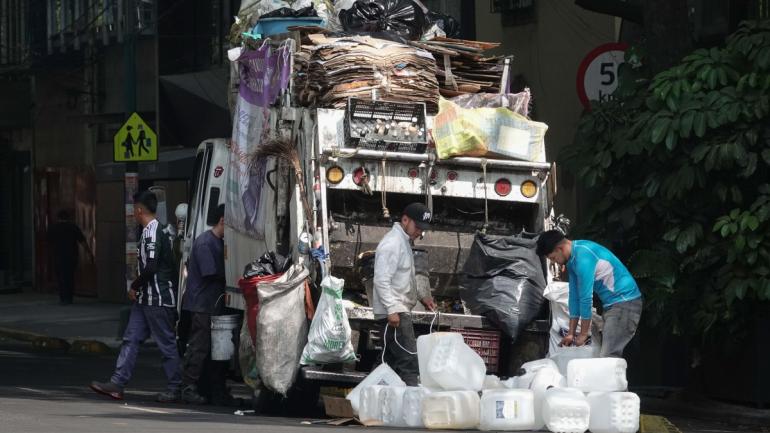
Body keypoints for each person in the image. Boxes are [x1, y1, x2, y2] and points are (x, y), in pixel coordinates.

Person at [90, 190, 182, 402]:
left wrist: (134, 286)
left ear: (139, 210)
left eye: (134, 209)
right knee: (130, 339)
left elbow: (151, 268)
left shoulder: (152, 232)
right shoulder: (160, 230)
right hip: (145, 299)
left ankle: (176, 387)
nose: (133, 213)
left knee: (166, 344)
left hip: (157, 298)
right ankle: (117, 383)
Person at [536, 230, 643, 358]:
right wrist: (571, 334)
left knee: (608, 357)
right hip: (613, 305)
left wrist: (583, 334)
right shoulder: (572, 261)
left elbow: (585, 298)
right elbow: (574, 297)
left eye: (553, 258)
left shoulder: (583, 256)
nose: (555, 262)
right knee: (608, 357)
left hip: (625, 303)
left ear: (560, 248)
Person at [373, 202, 436, 386]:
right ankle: (412, 401)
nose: (419, 232)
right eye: (418, 227)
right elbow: (381, 279)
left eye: (422, 229)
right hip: (396, 313)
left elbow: (404, 277)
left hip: (397, 310)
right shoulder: (392, 243)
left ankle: (368, 397)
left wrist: (422, 297)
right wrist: (391, 309)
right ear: (405, 220)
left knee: (387, 363)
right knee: (409, 362)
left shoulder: (403, 242)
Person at [179, 204, 227, 404]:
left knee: (212, 350)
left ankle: (209, 389)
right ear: (222, 220)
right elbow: (210, 273)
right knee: (199, 347)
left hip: (209, 304)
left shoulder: (216, 242)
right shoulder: (206, 243)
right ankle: (187, 387)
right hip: (201, 305)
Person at [46, 209, 93, 305]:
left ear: (58, 218)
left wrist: (50, 256)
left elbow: (48, 243)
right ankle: (69, 298)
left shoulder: (53, 228)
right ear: (68, 218)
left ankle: (63, 297)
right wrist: (89, 253)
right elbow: (82, 241)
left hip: (58, 256)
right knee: (69, 276)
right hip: (71, 256)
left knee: (60, 277)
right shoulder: (73, 227)